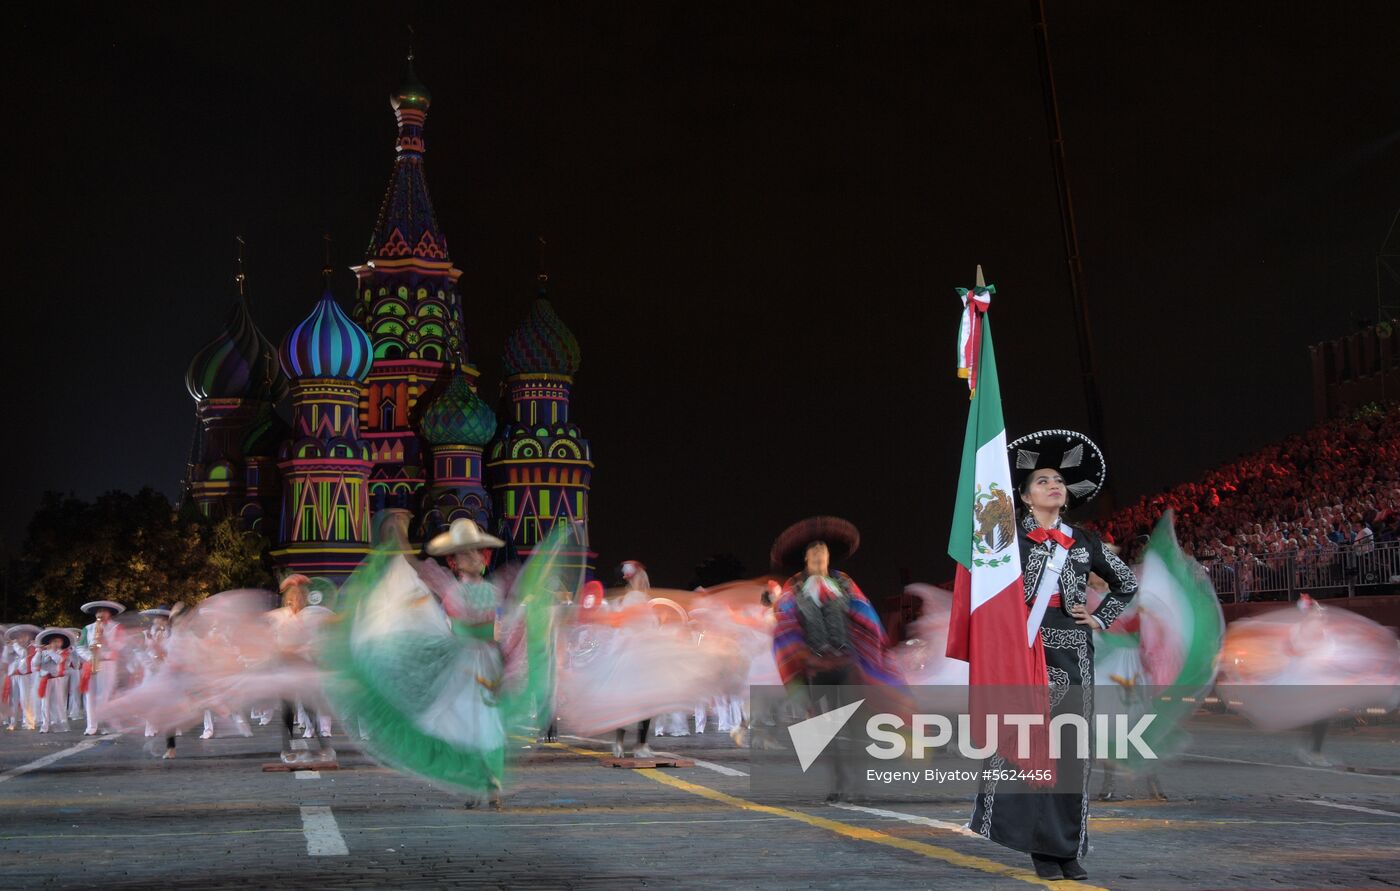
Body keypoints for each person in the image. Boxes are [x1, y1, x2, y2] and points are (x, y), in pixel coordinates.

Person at [970, 430, 1137, 882]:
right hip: (1025, 650)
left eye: (1058, 481)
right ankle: (1036, 846)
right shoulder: (1005, 539)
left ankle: (1066, 847)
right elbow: (980, 585)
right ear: (1024, 496)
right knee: (1025, 748)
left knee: (1070, 752)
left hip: (1073, 654)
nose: (1053, 486)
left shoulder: (1083, 540)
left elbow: (1126, 583)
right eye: (1041, 481)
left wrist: (1100, 618)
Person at [770, 516, 903, 801]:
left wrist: (872, 654)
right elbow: (785, 627)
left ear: (829, 555)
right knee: (824, 728)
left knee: (856, 726)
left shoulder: (843, 583)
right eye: (814, 551)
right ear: (806, 556)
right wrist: (801, 657)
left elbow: (865, 617)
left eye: (823, 550)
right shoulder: (793, 589)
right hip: (816, 669)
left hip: (847, 664)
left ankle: (859, 785)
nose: (819, 554)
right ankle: (838, 782)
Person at [77, 600, 127, 735]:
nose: (101, 614)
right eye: (99, 611)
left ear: (109, 614)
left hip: (108, 663)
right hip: (91, 663)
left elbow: (121, 645)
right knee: (90, 696)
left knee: (104, 695)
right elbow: (80, 647)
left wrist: (107, 641)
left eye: (104, 611)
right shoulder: (87, 628)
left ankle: (105, 724)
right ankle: (91, 726)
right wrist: (89, 657)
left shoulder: (117, 627)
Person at [33, 629, 77, 733]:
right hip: (45, 679)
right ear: (50, 642)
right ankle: (45, 725)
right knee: (45, 703)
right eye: (54, 641)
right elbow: (35, 663)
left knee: (58, 702)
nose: (56, 644)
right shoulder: (44, 652)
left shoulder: (64, 653)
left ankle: (60, 724)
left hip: (58, 680)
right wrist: (39, 652)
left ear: (62, 643)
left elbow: (59, 660)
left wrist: (50, 651)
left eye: (58, 641)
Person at [5, 625, 41, 731]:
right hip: (13, 676)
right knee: (13, 700)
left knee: (26, 699)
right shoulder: (12, 647)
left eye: (24, 636)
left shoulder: (32, 647)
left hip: (26, 676)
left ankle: (29, 722)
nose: (22, 639)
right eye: (19, 637)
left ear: (29, 637)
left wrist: (15, 645)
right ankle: (13, 723)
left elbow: (23, 654)